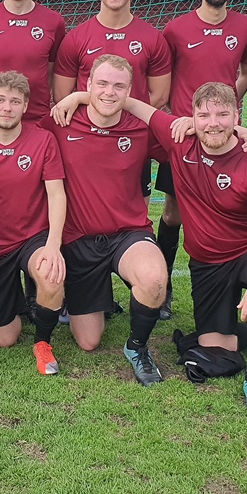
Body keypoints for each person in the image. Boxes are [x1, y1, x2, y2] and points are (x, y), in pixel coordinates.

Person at [123, 83, 247, 414]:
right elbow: (131, 104)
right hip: (207, 264)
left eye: (222, 115)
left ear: (237, 117)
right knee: (218, 348)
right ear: (192, 118)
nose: (213, 123)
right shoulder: (179, 138)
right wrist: (78, 96)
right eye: (204, 115)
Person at [46, 55, 168, 385]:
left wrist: (244, 135)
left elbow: (192, 137)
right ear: (87, 85)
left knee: (154, 280)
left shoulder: (141, 128)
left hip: (128, 233)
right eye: (101, 84)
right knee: (88, 341)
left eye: (118, 86)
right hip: (79, 240)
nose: (109, 92)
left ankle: (137, 347)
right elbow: (15, 130)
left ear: (129, 91)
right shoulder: (61, 121)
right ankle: (91, 300)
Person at [154, 0, 247, 319]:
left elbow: (245, 73)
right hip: (184, 138)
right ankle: (162, 289)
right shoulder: (175, 29)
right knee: (173, 215)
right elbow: (163, 80)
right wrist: (183, 117)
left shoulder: (245, 26)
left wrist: (225, 113)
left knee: (229, 212)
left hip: (224, 139)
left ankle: (235, 288)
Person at [0, 71, 67, 375]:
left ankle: (43, 342)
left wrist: (53, 245)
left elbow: (56, 194)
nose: (7, 107)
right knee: (4, 338)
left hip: (34, 238)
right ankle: (15, 302)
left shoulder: (42, 140)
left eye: (15, 101)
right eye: (1, 100)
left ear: (25, 106)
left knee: (51, 275)